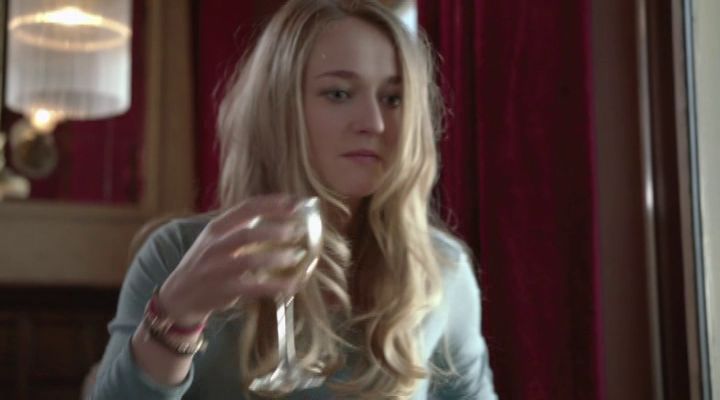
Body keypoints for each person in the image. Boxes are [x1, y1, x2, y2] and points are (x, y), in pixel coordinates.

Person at [91, 0, 497, 398]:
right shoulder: (178, 253)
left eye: (393, 98)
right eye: (339, 93)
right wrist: (177, 315)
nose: (374, 123)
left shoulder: (441, 270)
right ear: (278, 107)